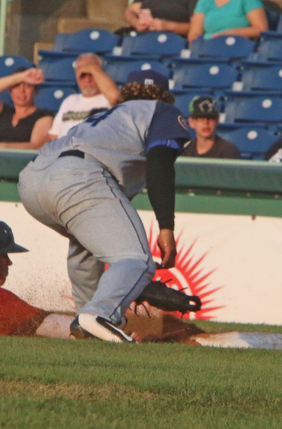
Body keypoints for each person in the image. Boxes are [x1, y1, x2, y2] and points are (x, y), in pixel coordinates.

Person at [18, 70, 192, 343]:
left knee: (86, 248)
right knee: (137, 260)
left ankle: (88, 323)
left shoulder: (110, 117)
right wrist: (166, 226)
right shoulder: (163, 111)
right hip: (78, 175)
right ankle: (100, 314)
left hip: (32, 180)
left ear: (127, 91)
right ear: (164, 94)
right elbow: (160, 162)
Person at [0, 68, 54, 150]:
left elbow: (37, 146)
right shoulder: (3, 112)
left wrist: (4, 147)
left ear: (36, 91)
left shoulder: (44, 115)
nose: (21, 90)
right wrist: (20, 77)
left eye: (28, 86)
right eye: (16, 86)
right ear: (10, 90)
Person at [48, 53, 119, 140]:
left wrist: (93, 68)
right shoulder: (70, 100)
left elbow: (116, 97)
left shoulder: (108, 99)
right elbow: (54, 135)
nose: (87, 80)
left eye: (91, 74)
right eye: (83, 75)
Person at [188, 0, 268, 42]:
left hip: (238, 48)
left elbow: (261, 29)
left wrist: (229, 33)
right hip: (207, 48)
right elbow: (194, 33)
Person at [124, 0, 199, 37]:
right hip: (143, 37)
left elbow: (199, 27)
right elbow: (130, 11)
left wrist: (168, 26)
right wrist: (136, 23)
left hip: (174, 41)